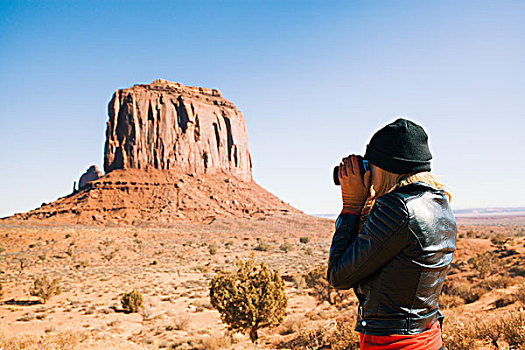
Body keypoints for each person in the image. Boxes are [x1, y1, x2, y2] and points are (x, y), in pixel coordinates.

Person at [327, 118, 457, 350]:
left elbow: (339, 275)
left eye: (371, 165)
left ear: (385, 167)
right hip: (428, 338)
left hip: (394, 343)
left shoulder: (397, 209)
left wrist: (351, 207)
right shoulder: (440, 203)